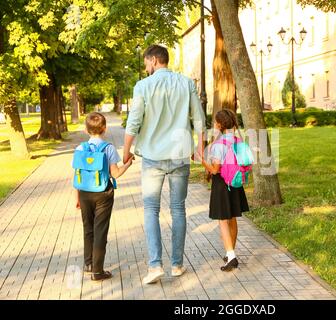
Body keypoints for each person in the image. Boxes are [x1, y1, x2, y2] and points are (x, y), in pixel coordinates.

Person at [123, 44, 205, 284]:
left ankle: (155, 265)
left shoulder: (143, 86)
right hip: (180, 154)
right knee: (178, 209)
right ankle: (177, 265)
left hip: (152, 157)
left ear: (154, 60)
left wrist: (125, 152)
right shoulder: (187, 83)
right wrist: (199, 147)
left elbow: (134, 122)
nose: (145, 67)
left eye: (146, 62)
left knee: (151, 210)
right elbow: (199, 118)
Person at [74, 112, 133, 281]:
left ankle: (88, 264)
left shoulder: (80, 148)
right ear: (105, 129)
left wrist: (76, 197)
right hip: (103, 194)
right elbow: (115, 174)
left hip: (84, 192)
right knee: (100, 230)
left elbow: (76, 174)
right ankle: (98, 272)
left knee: (88, 228)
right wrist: (128, 163)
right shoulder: (108, 148)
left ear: (86, 130)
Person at [197, 109, 249, 271]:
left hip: (222, 185)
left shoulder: (219, 145)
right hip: (236, 183)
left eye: (215, 122)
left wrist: (201, 160)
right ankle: (230, 252)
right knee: (232, 217)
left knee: (223, 220)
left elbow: (214, 170)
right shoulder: (237, 140)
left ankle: (231, 256)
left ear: (219, 124)